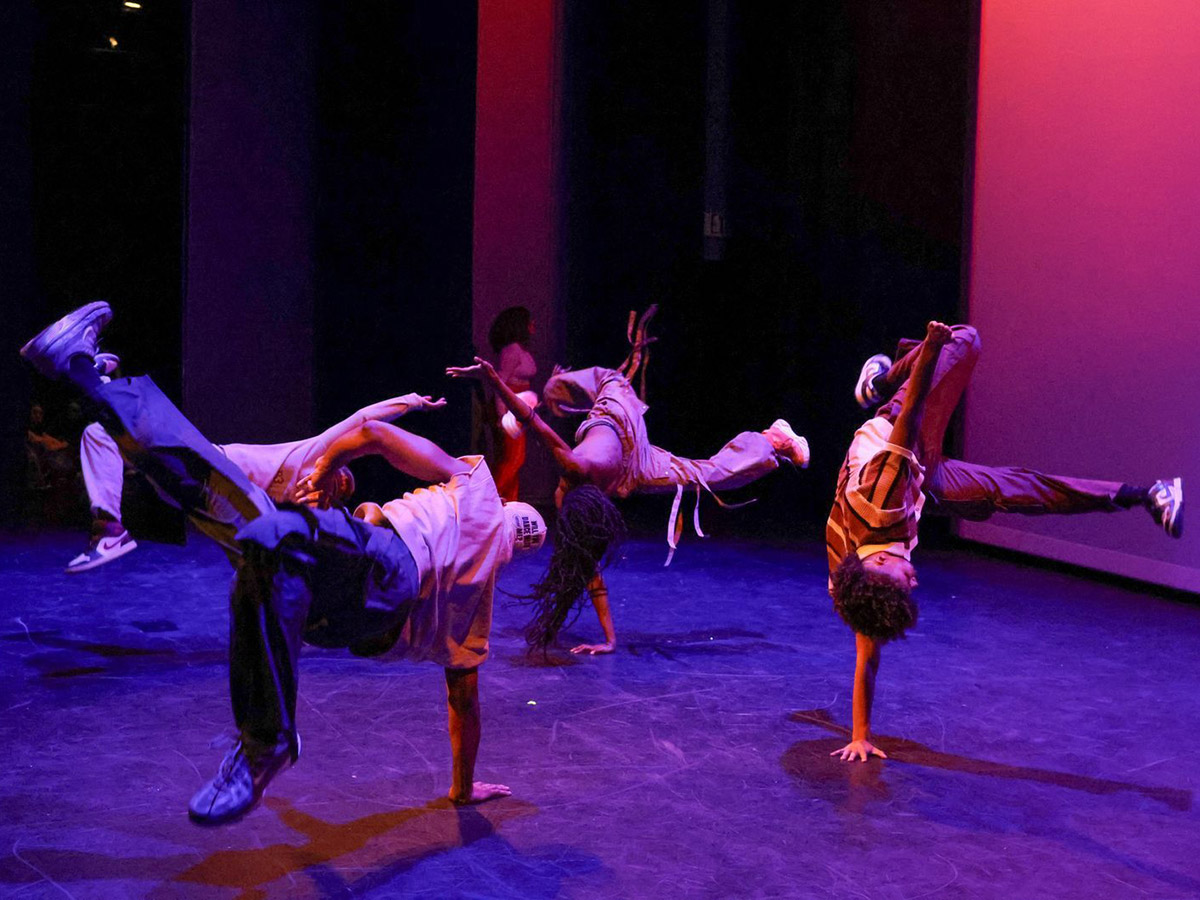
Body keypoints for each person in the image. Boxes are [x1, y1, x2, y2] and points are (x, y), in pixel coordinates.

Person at [20, 302, 547, 823]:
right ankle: (79, 368)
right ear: (513, 558)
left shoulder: (475, 487)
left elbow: (378, 437)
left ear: (507, 508)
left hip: (386, 568)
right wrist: (462, 787)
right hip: (358, 625)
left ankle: (267, 741)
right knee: (250, 538)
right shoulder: (478, 611)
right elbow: (464, 707)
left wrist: (334, 462)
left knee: (248, 515)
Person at [827, 321, 1184, 763]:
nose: (914, 582)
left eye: (904, 581)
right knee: (1016, 489)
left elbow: (913, 410)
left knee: (963, 339)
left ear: (879, 561)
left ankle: (879, 381)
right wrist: (860, 734)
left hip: (902, 445)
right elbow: (868, 656)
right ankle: (1145, 495)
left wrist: (931, 348)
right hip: (919, 487)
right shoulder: (858, 585)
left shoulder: (878, 497)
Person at [449, 309, 810, 655]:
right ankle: (773, 440)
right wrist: (609, 640)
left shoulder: (575, 468)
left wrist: (493, 379)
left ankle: (557, 387)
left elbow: (533, 420)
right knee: (706, 475)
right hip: (634, 468)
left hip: (617, 410)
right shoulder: (578, 497)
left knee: (559, 386)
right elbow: (586, 567)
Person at [69, 386, 446, 573]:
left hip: (200, 497)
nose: (336, 485)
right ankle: (109, 526)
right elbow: (364, 420)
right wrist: (413, 402)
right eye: (341, 477)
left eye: (340, 493)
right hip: (207, 461)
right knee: (100, 433)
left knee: (120, 434)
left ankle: (101, 380)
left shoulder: (306, 512)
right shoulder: (313, 456)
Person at [487, 306, 538, 502]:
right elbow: (500, 382)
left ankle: (509, 504)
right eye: (529, 321)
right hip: (509, 409)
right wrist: (501, 415)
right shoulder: (512, 350)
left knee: (516, 459)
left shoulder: (520, 349)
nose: (533, 325)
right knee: (512, 459)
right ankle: (492, 502)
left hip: (518, 406)